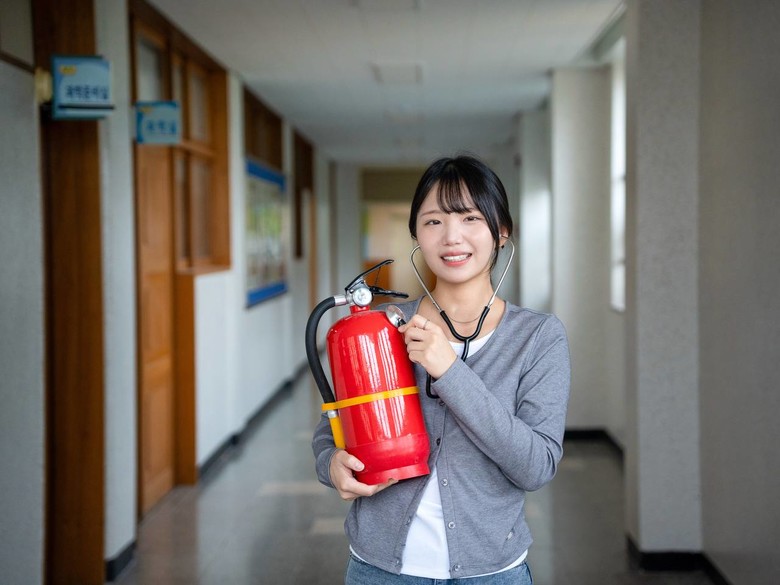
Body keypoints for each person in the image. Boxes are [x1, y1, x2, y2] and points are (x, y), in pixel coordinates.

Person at [312, 154, 571, 584]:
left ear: (501, 231)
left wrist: (450, 371)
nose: (452, 237)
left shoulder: (538, 337)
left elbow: (535, 466)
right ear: (416, 233)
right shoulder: (383, 329)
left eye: (470, 218)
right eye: (433, 221)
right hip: (377, 570)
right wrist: (332, 463)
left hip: (492, 573)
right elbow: (333, 429)